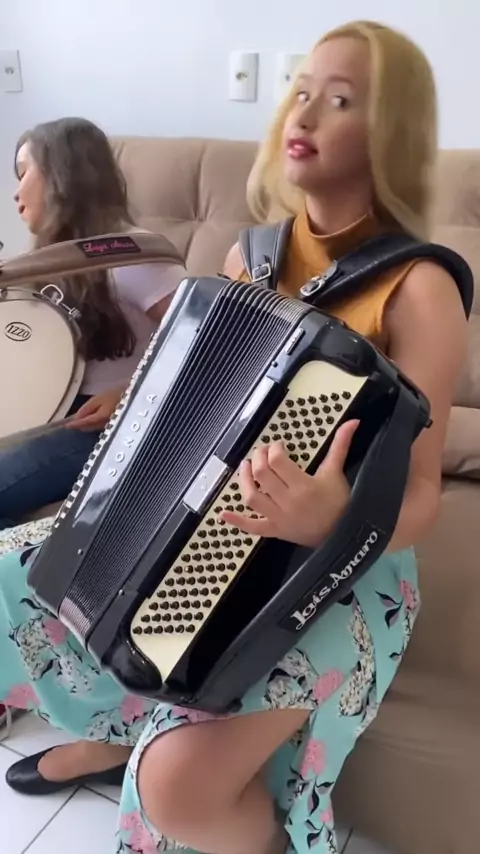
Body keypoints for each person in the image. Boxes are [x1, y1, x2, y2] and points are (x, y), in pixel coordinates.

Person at [0, 20, 467, 854]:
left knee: (174, 788)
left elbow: (423, 494)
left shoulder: (419, 287)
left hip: (341, 568)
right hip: (208, 532)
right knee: (15, 576)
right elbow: (187, 398)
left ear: (392, 131)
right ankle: (119, 731)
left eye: (341, 100)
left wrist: (334, 519)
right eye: (302, 90)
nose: (306, 112)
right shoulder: (250, 259)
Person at [0, 117, 186, 529]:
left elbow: (207, 339)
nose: (15, 191)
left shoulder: (135, 256)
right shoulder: (49, 262)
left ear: (60, 174)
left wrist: (130, 392)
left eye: (23, 172)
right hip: (51, 416)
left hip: (108, 426)